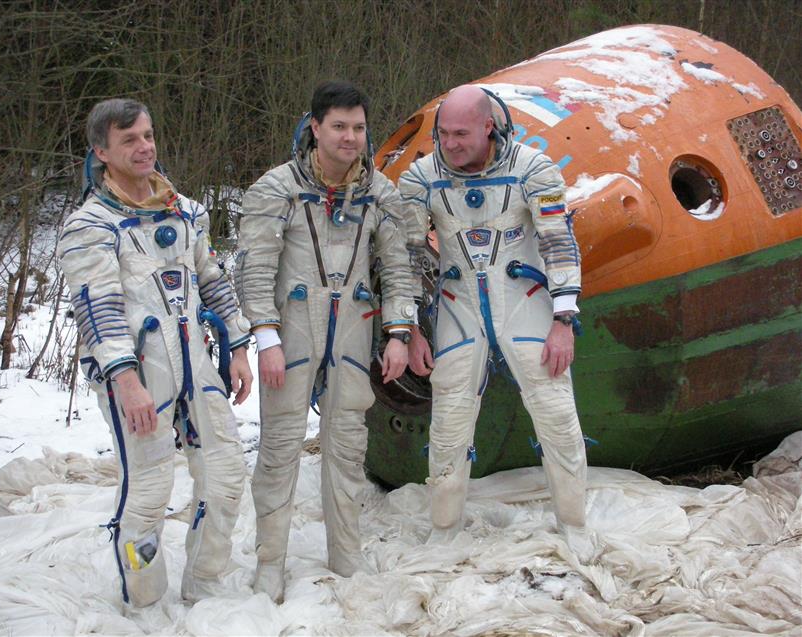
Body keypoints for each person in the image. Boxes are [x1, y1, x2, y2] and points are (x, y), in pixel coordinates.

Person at [58, 98, 253, 607]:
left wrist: (237, 344)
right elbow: (97, 308)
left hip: (195, 363)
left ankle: (204, 586)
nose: (144, 147)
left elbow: (209, 277)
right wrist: (125, 381)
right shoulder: (91, 226)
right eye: (129, 140)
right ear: (101, 151)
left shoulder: (185, 211)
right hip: (139, 373)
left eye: (147, 135)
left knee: (227, 474)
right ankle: (144, 600)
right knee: (147, 490)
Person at [236, 81, 417, 603]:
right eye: (339, 126)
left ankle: (346, 549)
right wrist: (264, 334)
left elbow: (399, 266)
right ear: (314, 128)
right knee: (280, 445)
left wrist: (399, 333)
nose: (350, 137)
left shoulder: (380, 193)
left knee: (348, 442)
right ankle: (270, 559)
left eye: (358, 128)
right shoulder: (277, 189)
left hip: (355, 322)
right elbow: (254, 267)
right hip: (293, 322)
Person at [399, 85, 592, 558]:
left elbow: (558, 243)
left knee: (556, 412)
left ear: (489, 126)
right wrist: (410, 328)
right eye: (443, 134)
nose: (450, 144)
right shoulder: (422, 178)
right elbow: (405, 256)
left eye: (461, 134)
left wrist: (564, 319)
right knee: (448, 419)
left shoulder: (532, 170)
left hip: (524, 299)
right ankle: (444, 528)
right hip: (458, 303)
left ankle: (573, 522)